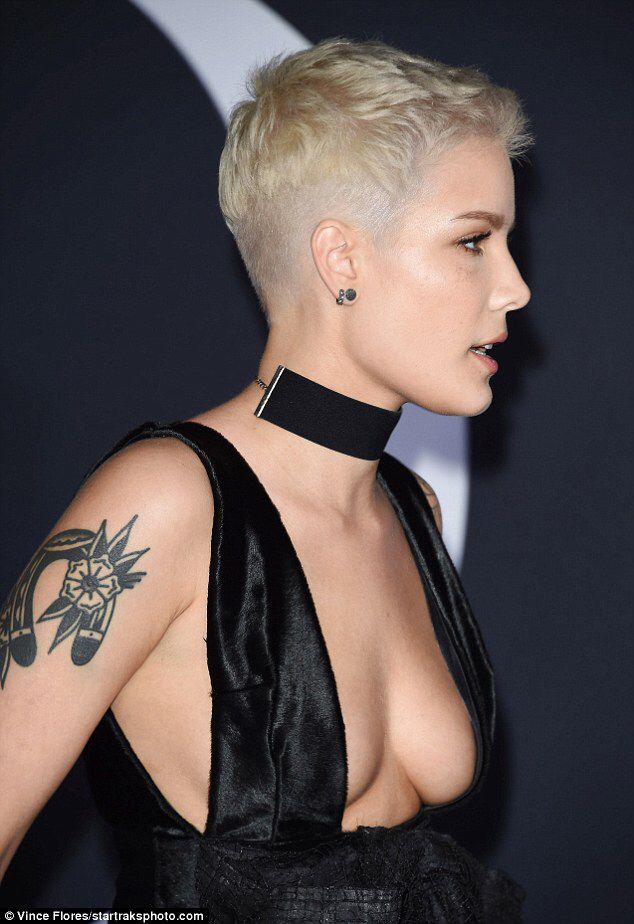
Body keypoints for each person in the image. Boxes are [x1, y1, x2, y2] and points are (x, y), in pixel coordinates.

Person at [0, 36, 532, 921]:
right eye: (474, 240)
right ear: (341, 260)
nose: (515, 287)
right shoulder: (162, 504)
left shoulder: (412, 509)